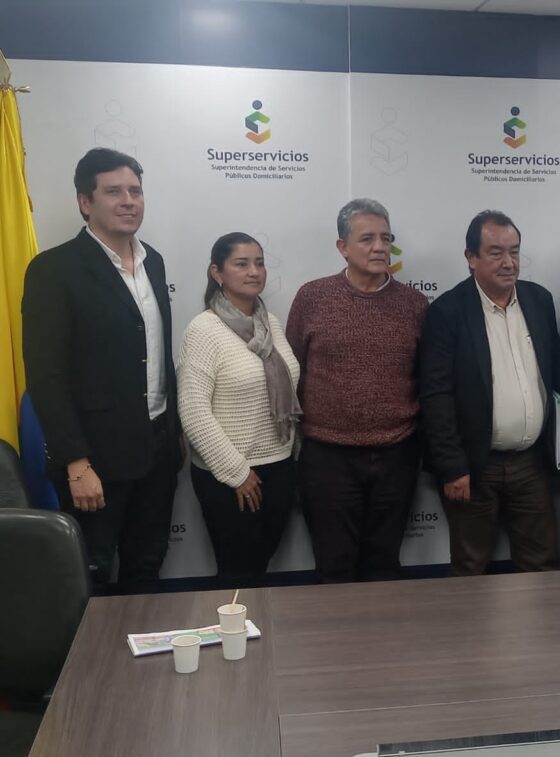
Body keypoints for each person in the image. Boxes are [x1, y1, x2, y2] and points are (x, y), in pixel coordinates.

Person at [22, 147, 179, 593]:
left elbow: (156, 356)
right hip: (94, 459)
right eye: (113, 192)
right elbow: (47, 376)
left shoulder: (154, 261)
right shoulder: (53, 270)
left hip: (156, 450)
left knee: (146, 567)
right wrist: (75, 463)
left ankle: (143, 642)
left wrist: (173, 433)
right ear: (85, 202)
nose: (129, 201)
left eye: (135, 191)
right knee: (92, 577)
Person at [286, 199, 427, 582]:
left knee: (384, 565)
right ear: (342, 247)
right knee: (334, 566)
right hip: (328, 458)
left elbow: (425, 378)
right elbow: (293, 369)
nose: (380, 247)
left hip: (396, 455)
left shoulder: (414, 304)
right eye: (367, 239)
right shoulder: (312, 297)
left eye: (386, 238)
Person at [419, 210, 560, 576]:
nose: (509, 262)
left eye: (514, 251)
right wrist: (453, 467)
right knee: (470, 567)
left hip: (531, 463)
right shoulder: (448, 311)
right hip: (473, 466)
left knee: (542, 565)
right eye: (496, 252)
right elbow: (436, 395)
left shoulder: (539, 301)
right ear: (471, 257)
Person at [177, 233, 301, 585]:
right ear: (217, 273)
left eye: (259, 263)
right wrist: (237, 473)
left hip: (279, 465)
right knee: (239, 574)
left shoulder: (269, 323)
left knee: (260, 567)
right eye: (241, 264)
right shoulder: (203, 330)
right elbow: (194, 411)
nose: (254, 272)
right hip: (230, 475)